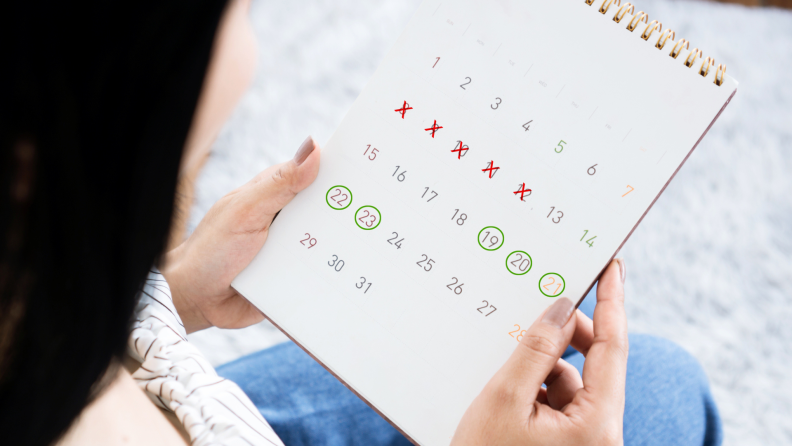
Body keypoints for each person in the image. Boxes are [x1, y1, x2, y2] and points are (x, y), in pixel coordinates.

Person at [1, 0, 722, 445]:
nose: (248, 51)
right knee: (662, 384)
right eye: (234, 11)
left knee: (560, 315)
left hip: (181, 405)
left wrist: (176, 292)